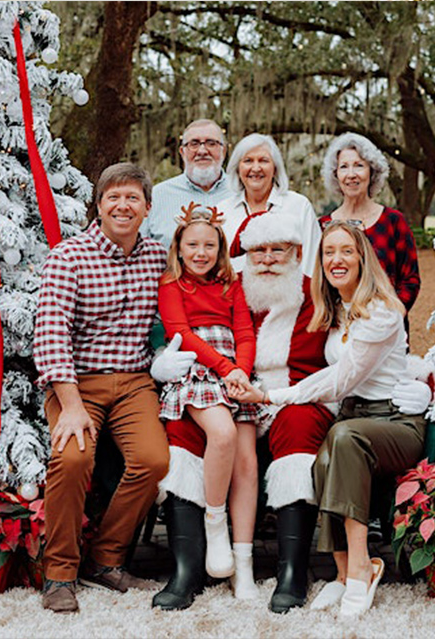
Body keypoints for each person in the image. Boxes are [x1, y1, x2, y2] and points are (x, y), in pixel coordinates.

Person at [150, 214, 432, 613]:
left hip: (296, 393)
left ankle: (292, 572)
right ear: (244, 254)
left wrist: (422, 377)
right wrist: (163, 363)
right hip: (229, 388)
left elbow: (364, 355)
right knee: (184, 431)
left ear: (297, 253)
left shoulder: (318, 292)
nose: (266, 259)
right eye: (258, 251)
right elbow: (184, 328)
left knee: (300, 434)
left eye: (277, 249)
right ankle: (187, 569)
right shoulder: (230, 287)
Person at [233, 220, 427, 617]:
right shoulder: (337, 307)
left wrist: (271, 396)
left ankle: (361, 566)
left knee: (342, 440)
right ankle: (340, 573)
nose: (336, 260)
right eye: (328, 252)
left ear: (362, 258)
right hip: (354, 420)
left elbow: (341, 380)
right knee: (323, 458)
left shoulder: (381, 311)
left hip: (393, 421)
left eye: (346, 251)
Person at [33, 163, 170, 614]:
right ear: (99, 205)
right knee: (73, 458)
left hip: (134, 382)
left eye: (132, 197)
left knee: (153, 461)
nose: (122, 205)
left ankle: (105, 559)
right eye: (113, 197)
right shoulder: (68, 256)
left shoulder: (157, 257)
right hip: (77, 381)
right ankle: (59, 574)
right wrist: (70, 406)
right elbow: (51, 336)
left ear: (147, 208)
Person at [157, 203, 259, 599]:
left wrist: (242, 372)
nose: (201, 253)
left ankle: (244, 565)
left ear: (221, 249)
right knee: (221, 434)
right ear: (179, 248)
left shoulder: (231, 285)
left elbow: (245, 331)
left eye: (210, 246)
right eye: (193, 245)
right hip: (198, 367)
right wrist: (224, 368)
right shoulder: (171, 285)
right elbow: (182, 332)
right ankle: (215, 521)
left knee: (247, 463)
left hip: (234, 373)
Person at [319, 132, 420, 322]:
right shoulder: (323, 226)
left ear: (372, 172)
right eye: (343, 167)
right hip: (338, 328)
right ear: (335, 175)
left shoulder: (393, 221)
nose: (351, 174)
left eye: (359, 165)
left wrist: (390, 317)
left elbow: (410, 280)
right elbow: (317, 283)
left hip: (386, 328)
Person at [219, 133, 321, 277]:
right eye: (248, 161)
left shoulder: (298, 206)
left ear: (275, 168)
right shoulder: (223, 211)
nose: (255, 168)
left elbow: (312, 262)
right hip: (232, 297)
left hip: (290, 296)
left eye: (263, 160)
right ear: (237, 168)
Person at [142, 119, 231, 249]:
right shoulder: (156, 196)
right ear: (182, 152)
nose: (202, 151)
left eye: (211, 143)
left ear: (223, 151)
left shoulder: (242, 191)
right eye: (194, 144)